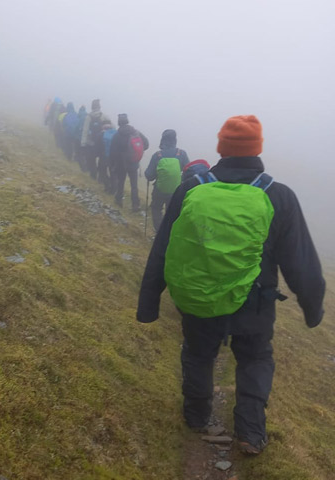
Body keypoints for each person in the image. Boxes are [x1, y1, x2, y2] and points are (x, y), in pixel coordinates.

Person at [137, 115, 325, 455]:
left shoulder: (192, 188)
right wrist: (312, 307)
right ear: (257, 150)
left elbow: (163, 248)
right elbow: (301, 262)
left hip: (200, 297)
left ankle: (196, 416)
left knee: (198, 354)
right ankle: (250, 433)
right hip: (255, 303)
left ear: (221, 149)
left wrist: (149, 302)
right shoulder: (279, 196)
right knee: (255, 359)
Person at [145, 129, 190, 232]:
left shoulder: (157, 155)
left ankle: (159, 231)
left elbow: (149, 175)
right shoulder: (181, 154)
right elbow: (188, 171)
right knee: (171, 212)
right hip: (176, 190)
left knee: (156, 208)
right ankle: (169, 232)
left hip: (159, 190)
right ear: (175, 140)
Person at [110, 113, 149, 211]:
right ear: (127, 121)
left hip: (121, 163)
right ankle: (135, 205)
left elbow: (113, 151)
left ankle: (119, 200)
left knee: (121, 182)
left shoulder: (117, 135)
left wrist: (112, 164)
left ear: (119, 122)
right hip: (133, 163)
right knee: (134, 185)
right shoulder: (135, 132)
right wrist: (137, 152)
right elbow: (146, 144)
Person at [81, 99, 109, 180]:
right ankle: (101, 177)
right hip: (102, 143)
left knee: (91, 160)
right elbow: (112, 128)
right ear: (99, 106)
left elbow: (85, 131)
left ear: (92, 107)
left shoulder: (88, 117)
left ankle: (93, 176)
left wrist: (83, 143)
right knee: (101, 161)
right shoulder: (104, 116)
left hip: (91, 143)